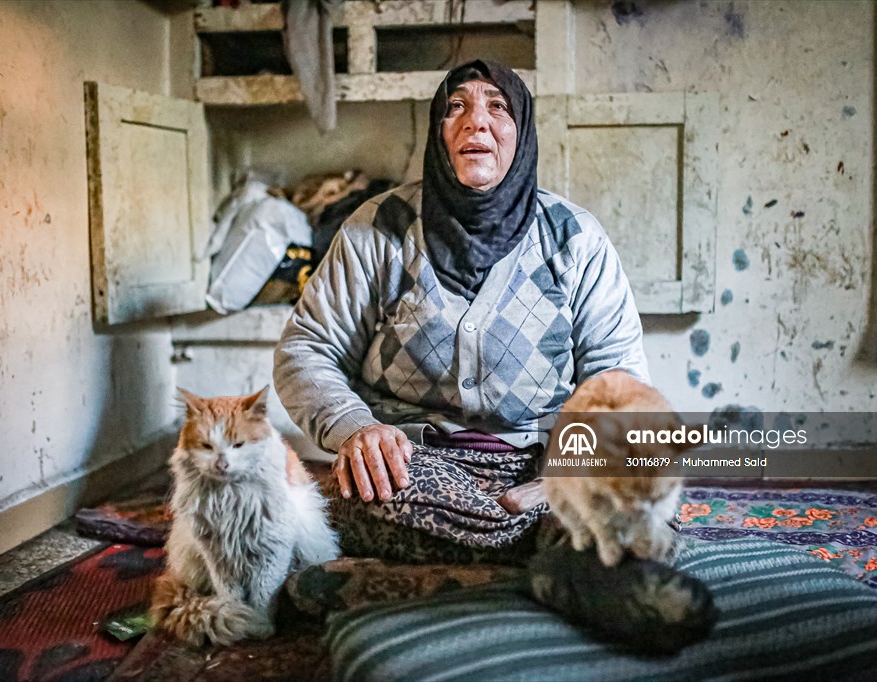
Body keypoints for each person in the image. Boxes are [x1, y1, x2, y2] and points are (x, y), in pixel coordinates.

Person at [274, 59, 649, 564]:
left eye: (498, 107)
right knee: (370, 495)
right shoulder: (378, 229)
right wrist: (355, 429)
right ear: (438, 132)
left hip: (543, 461)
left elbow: (617, 376)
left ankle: (503, 546)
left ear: (522, 133)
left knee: (640, 493)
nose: (476, 122)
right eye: (456, 108)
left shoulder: (575, 238)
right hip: (417, 467)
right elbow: (306, 349)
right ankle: (554, 552)